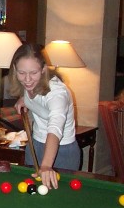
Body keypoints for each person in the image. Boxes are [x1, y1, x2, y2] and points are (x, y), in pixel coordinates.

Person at [8, 43, 80, 189]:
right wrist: (24, 100)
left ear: (43, 70)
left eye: (33, 73)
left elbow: (55, 128)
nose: (27, 79)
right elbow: (35, 98)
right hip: (35, 145)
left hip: (61, 151)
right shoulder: (28, 85)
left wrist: (46, 165)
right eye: (22, 73)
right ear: (15, 70)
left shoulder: (57, 93)